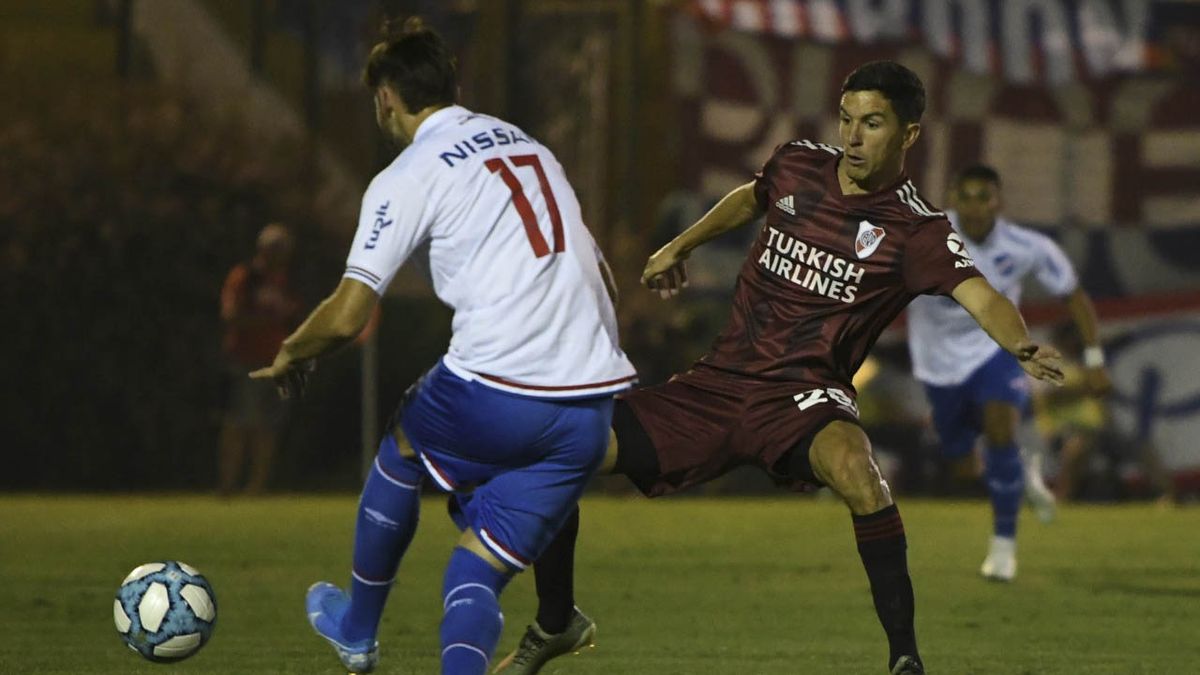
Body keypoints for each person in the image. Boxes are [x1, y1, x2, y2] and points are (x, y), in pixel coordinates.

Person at [494, 61, 1064, 675]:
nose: (852, 136)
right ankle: (557, 622)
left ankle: (905, 659)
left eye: (872, 123)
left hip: (805, 399)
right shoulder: (799, 163)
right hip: (719, 386)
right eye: (847, 119)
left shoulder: (916, 230)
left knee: (857, 470)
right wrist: (679, 246)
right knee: (556, 448)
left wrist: (1021, 344)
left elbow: (982, 294)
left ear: (909, 134)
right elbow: (752, 198)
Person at [250, 18, 635, 675]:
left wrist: (293, 349)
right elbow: (604, 280)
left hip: (498, 390)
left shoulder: (410, 173)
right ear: (453, 85)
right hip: (588, 406)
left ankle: (356, 630)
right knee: (472, 573)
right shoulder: (531, 148)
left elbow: (346, 315)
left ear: (386, 99)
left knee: (401, 447)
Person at [905, 165, 1110, 582]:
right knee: (963, 464)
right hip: (938, 366)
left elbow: (1073, 295)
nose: (977, 206)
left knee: (1001, 425)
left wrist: (1093, 360)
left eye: (986, 196)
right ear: (953, 198)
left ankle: (1003, 548)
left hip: (996, 352)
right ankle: (1018, 475)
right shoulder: (921, 237)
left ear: (999, 200)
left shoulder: (1025, 246)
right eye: (968, 196)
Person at [217, 222, 301, 495]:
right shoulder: (245, 278)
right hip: (246, 361)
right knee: (239, 423)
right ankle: (228, 485)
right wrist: (266, 319)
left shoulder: (285, 281)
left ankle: (256, 487)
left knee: (268, 427)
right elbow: (231, 315)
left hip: (275, 363)